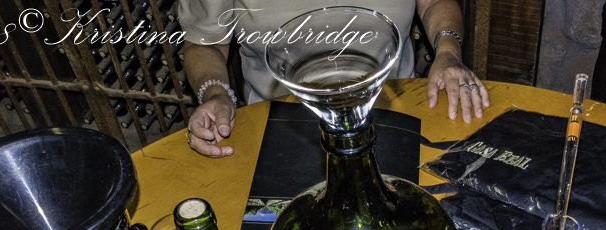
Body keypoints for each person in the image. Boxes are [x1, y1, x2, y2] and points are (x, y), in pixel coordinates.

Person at [178, 0, 489, 157]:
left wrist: (448, 52)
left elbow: (435, 2)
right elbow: (204, 42)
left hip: (392, 112)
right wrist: (216, 93)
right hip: (281, 125)